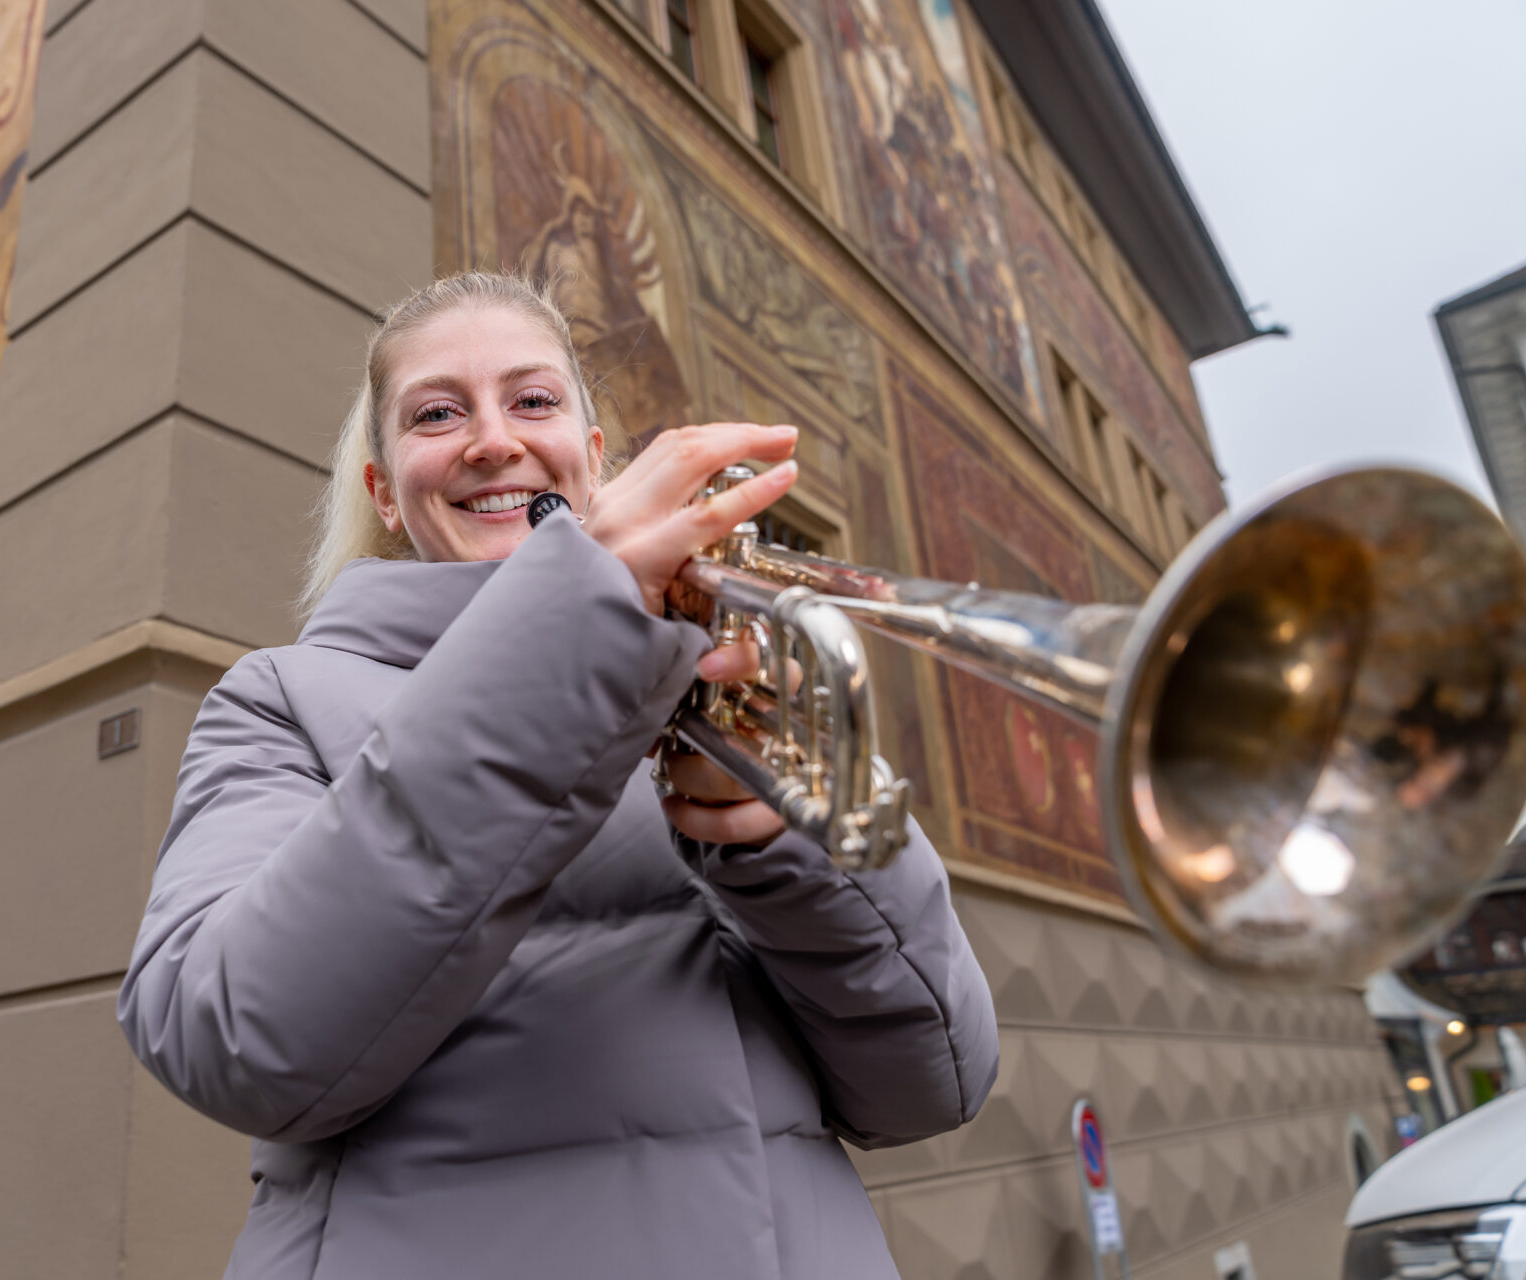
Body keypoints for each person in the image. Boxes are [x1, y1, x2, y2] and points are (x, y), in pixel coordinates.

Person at [117, 272, 999, 1279]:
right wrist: (568, 643)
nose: (492, 440)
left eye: (532, 401)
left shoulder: (727, 675)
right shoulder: (278, 696)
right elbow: (229, 1038)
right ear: (384, 493)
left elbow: (933, 1085)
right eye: (437, 413)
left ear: (592, 461)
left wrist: (777, 844)